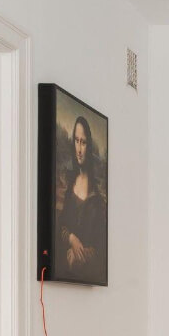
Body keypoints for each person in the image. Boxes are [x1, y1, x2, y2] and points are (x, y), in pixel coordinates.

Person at [56, 115, 106, 283]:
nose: (79, 149)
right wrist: (72, 239)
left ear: (89, 145)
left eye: (83, 142)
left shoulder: (98, 199)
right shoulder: (68, 185)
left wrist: (82, 254)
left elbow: (100, 247)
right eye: (76, 141)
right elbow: (59, 226)